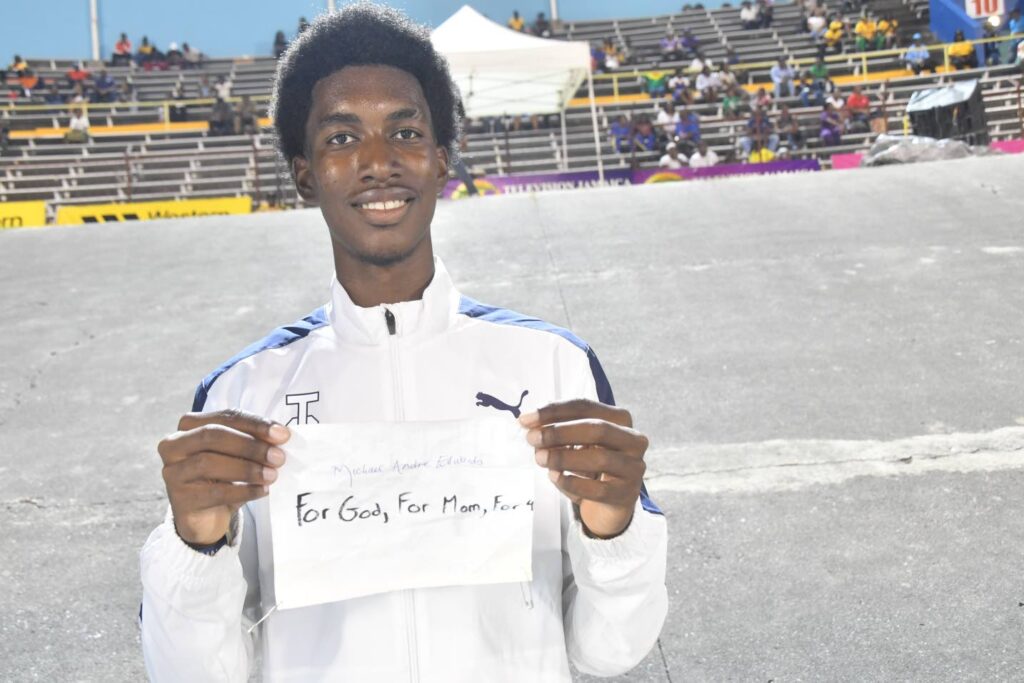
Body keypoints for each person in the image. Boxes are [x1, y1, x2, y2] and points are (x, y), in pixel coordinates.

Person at [139, 6, 667, 681]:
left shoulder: (554, 364)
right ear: (304, 173)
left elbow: (609, 651)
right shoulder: (242, 393)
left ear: (441, 159)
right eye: (341, 137)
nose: (379, 162)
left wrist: (613, 528)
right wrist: (194, 543)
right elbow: (195, 674)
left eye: (406, 132)